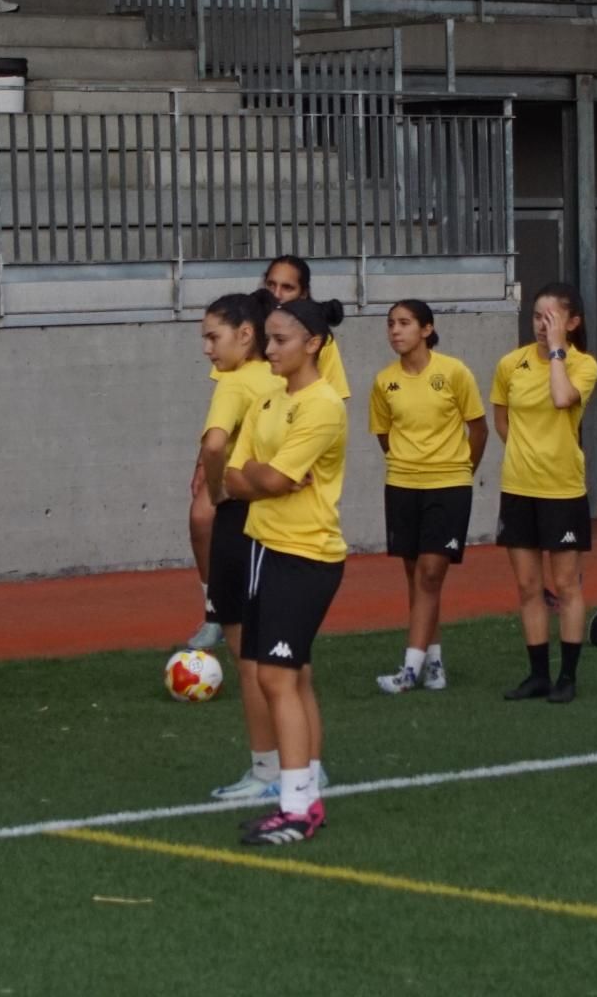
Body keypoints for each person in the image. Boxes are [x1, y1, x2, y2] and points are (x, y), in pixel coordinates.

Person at [223, 297, 348, 845]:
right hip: (263, 548)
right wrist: (261, 474)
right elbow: (234, 477)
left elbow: (271, 482)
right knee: (288, 674)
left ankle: (299, 808)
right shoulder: (268, 401)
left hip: (304, 553)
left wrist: (264, 476)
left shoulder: (322, 405)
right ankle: (300, 794)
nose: (268, 349)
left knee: (276, 675)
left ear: (313, 343)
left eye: (280, 340)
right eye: (267, 340)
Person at [183, 255, 350, 652]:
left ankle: (216, 609)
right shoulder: (263, 386)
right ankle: (216, 609)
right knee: (278, 666)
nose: (276, 293)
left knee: (266, 664)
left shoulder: (300, 383)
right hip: (264, 498)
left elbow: (221, 443)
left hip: (291, 529)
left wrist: (236, 479)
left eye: (287, 287)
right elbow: (233, 442)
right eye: (271, 284)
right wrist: (242, 473)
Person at [198, 290, 290, 803]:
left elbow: (214, 445)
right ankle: (304, 764)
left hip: (240, 521)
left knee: (247, 656)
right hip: (279, 523)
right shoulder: (280, 378)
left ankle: (264, 768)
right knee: (288, 656)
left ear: (245, 333)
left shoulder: (234, 384)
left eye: (214, 336)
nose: (209, 349)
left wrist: (216, 490)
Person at [369, 300, 488, 694]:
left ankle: (409, 670)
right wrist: (409, 465)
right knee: (417, 578)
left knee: (431, 573)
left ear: (426, 329)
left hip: (449, 485)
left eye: (404, 323)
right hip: (402, 486)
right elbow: (385, 435)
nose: (395, 331)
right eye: (391, 324)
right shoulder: (384, 381)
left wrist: (459, 472)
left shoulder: (454, 372)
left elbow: (479, 429)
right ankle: (434, 663)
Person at [492, 283, 597, 704]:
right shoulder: (509, 364)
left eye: (551, 318)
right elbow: (502, 419)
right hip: (518, 488)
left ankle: (567, 676)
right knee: (527, 586)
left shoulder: (583, 365)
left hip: (562, 489)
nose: (542, 325)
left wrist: (557, 350)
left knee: (566, 585)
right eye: (538, 317)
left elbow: (561, 399)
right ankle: (537, 674)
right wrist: (524, 454)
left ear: (572, 323)